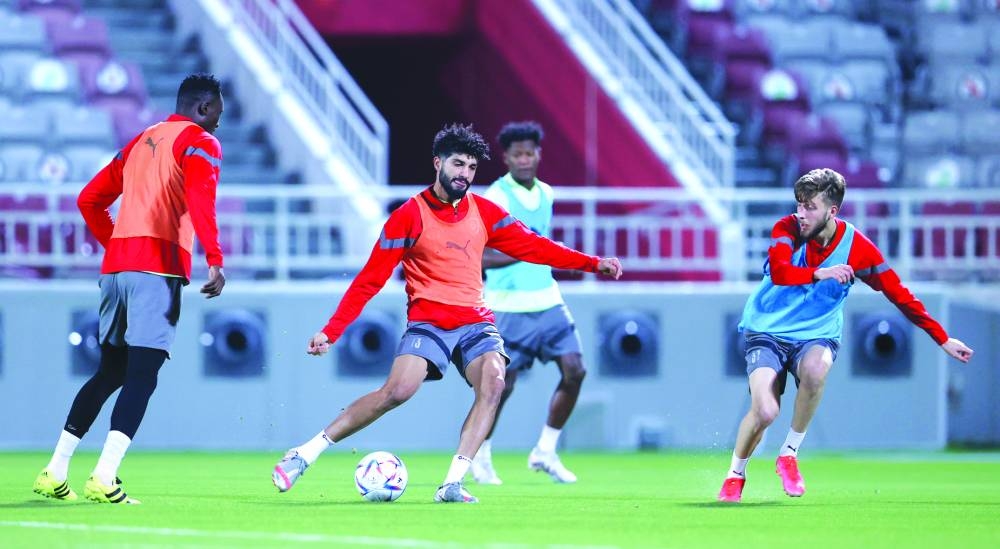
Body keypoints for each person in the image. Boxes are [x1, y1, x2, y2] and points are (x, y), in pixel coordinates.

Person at [270, 123, 622, 503]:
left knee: (494, 382)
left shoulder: (484, 212)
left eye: (471, 167)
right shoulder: (409, 215)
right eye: (458, 164)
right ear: (438, 162)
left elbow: (536, 247)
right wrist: (331, 331)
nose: (464, 174)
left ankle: (452, 483)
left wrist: (592, 263)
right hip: (429, 323)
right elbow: (369, 280)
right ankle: (304, 454)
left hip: (475, 322)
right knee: (397, 392)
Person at [717, 168, 973, 503]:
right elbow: (780, 273)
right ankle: (735, 475)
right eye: (799, 204)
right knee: (765, 412)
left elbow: (899, 294)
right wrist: (820, 273)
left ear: (832, 211)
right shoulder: (786, 229)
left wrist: (942, 338)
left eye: (810, 207)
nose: (801, 213)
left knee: (815, 371)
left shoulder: (859, 249)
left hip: (817, 334)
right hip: (767, 329)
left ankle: (789, 454)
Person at [33, 73, 227, 504]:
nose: (218, 122)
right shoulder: (201, 142)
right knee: (143, 375)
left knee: (110, 373)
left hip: (116, 270)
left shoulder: (142, 140)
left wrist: (119, 246)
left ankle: (54, 471)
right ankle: (104, 476)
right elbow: (202, 199)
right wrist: (215, 257)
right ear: (202, 108)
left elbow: (89, 199)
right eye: (217, 112)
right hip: (157, 271)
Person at [468, 121, 583, 485]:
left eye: (528, 153)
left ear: (538, 155)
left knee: (575, 370)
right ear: (505, 158)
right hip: (507, 305)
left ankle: (545, 451)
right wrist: (525, 252)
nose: (523, 159)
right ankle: (480, 454)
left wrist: (549, 255)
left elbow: (542, 244)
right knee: (501, 386)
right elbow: (478, 255)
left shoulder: (547, 193)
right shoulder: (496, 198)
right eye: (516, 154)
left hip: (548, 300)